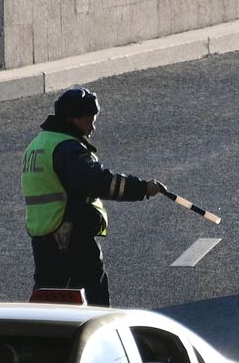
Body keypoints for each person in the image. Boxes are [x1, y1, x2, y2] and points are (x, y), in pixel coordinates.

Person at [23, 87, 165, 307]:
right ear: (74, 119)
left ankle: (39, 338)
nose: (93, 126)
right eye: (90, 120)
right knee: (92, 295)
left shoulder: (39, 144)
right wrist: (142, 189)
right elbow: (99, 182)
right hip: (70, 233)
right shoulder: (67, 149)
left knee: (48, 297)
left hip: (44, 233)